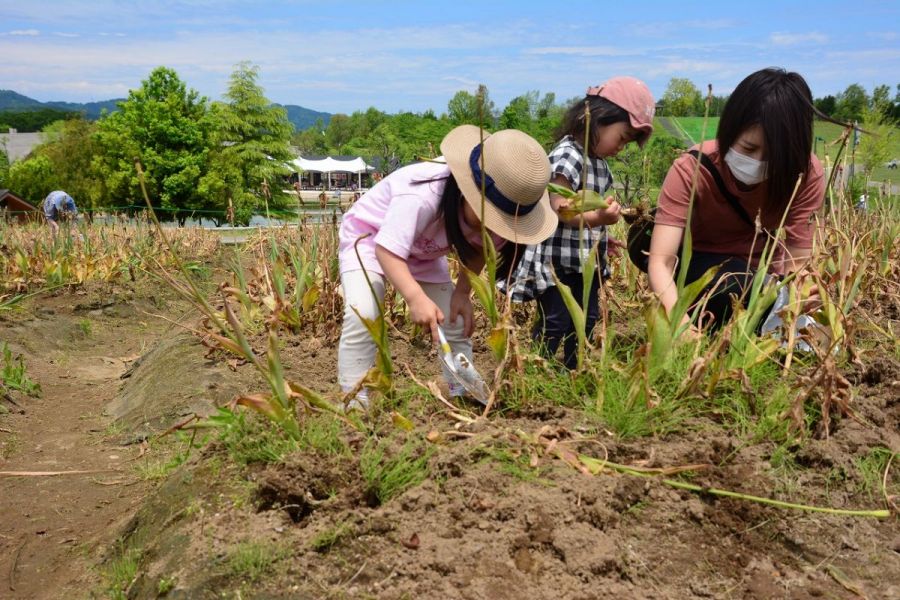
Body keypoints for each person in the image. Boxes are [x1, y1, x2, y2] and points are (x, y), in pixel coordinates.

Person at [338, 125, 558, 408]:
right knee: (364, 312)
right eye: (488, 217)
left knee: (453, 320)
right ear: (466, 191)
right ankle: (354, 402)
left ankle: (461, 388)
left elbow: (479, 249)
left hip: (422, 253)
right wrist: (415, 298)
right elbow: (387, 250)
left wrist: (463, 293)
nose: (493, 226)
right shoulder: (422, 195)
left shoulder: (505, 213)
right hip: (368, 239)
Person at [648, 68, 826, 333]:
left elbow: (798, 262)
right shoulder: (693, 169)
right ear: (729, 132)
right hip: (700, 271)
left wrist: (803, 295)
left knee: (794, 313)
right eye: (748, 149)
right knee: (734, 285)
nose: (757, 162)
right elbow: (661, 261)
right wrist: (678, 326)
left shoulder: (804, 174)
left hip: (763, 277)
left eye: (773, 155)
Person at [502, 77, 655, 369]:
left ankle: (574, 367)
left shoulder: (599, 163)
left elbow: (586, 215)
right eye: (622, 137)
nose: (621, 147)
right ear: (596, 118)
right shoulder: (568, 155)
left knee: (588, 316)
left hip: (584, 261)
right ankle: (538, 366)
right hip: (556, 262)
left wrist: (602, 235)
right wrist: (599, 218)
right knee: (557, 318)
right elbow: (562, 209)